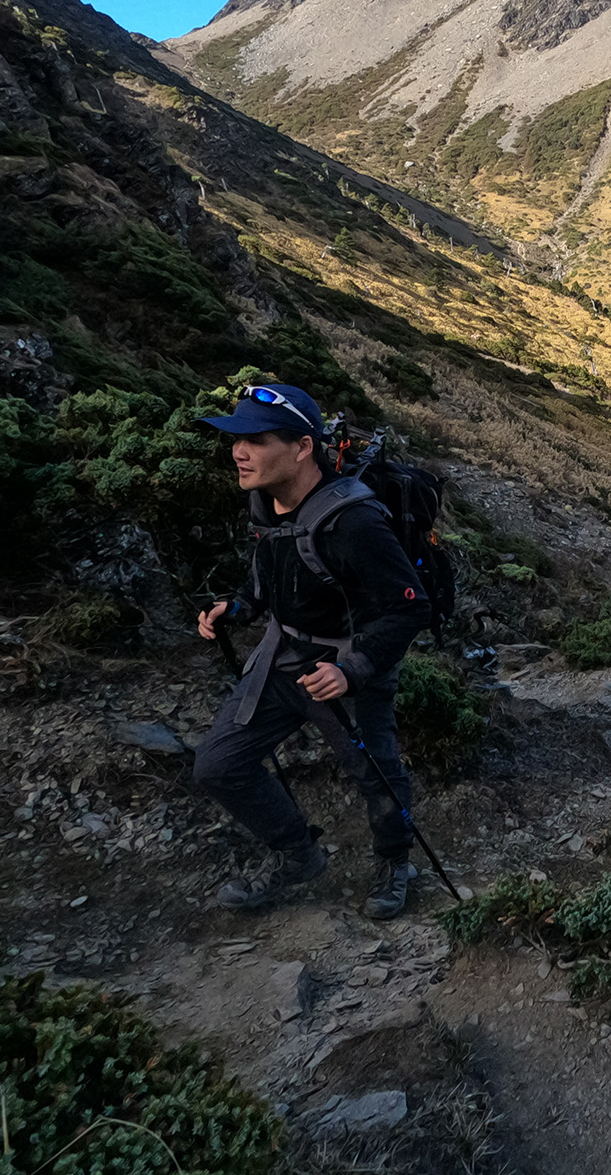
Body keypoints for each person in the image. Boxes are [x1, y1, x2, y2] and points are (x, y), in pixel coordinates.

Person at [192, 383, 429, 918]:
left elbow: (412, 608)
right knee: (217, 766)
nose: (238, 451)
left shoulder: (356, 523)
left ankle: (396, 864)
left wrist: (355, 668)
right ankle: (298, 855)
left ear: (302, 447)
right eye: (236, 439)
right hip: (281, 659)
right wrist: (238, 608)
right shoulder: (263, 500)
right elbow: (269, 576)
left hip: (346, 667)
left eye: (255, 438)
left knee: (377, 775)